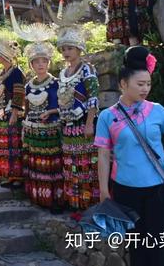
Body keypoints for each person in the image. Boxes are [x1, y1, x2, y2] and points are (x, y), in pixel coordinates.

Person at [95, 46, 164, 266]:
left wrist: (160, 159)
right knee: (137, 247)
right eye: (140, 84)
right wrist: (104, 191)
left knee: (162, 248)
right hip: (125, 191)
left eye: (148, 84)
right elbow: (103, 155)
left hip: (159, 190)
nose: (145, 89)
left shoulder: (157, 110)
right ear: (123, 84)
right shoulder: (108, 117)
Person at [56, 25, 100, 210]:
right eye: (64, 49)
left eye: (70, 48)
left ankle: (90, 204)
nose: (66, 52)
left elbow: (93, 98)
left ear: (79, 49)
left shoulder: (86, 70)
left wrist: (90, 123)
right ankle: (75, 203)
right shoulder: (62, 73)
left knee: (86, 165)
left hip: (83, 124)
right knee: (71, 165)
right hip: (68, 126)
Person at [21, 41, 63, 211]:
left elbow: (65, 106)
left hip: (50, 131)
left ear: (48, 63)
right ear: (31, 65)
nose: (40, 64)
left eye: (43, 61)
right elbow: (26, 109)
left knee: (51, 165)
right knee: (36, 164)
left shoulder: (56, 84)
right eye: (36, 61)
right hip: (32, 131)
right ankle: (37, 197)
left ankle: (54, 200)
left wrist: (51, 111)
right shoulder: (28, 86)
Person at [0, 40, 25, 186]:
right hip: (1, 112)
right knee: (4, 145)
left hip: (11, 112)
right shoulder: (2, 72)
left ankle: (18, 177)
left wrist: (15, 113)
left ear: (4, 56)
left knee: (14, 145)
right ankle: (9, 175)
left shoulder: (16, 72)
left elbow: (18, 93)